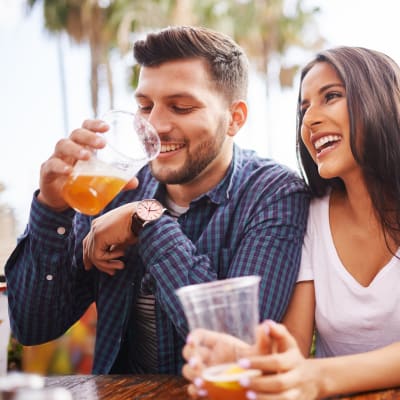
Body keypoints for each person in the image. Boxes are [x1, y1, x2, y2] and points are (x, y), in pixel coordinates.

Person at [4, 26, 309, 375]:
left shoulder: (274, 194)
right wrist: (51, 206)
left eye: (180, 107)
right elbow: (33, 327)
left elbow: (234, 349)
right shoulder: (115, 188)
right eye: (145, 106)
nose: (155, 126)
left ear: (235, 119)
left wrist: (145, 219)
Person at [182, 46, 400, 398]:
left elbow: (308, 373)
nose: (310, 119)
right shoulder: (311, 215)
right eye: (304, 108)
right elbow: (294, 348)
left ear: (382, 100)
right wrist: (244, 357)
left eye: (331, 96)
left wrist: (317, 377)